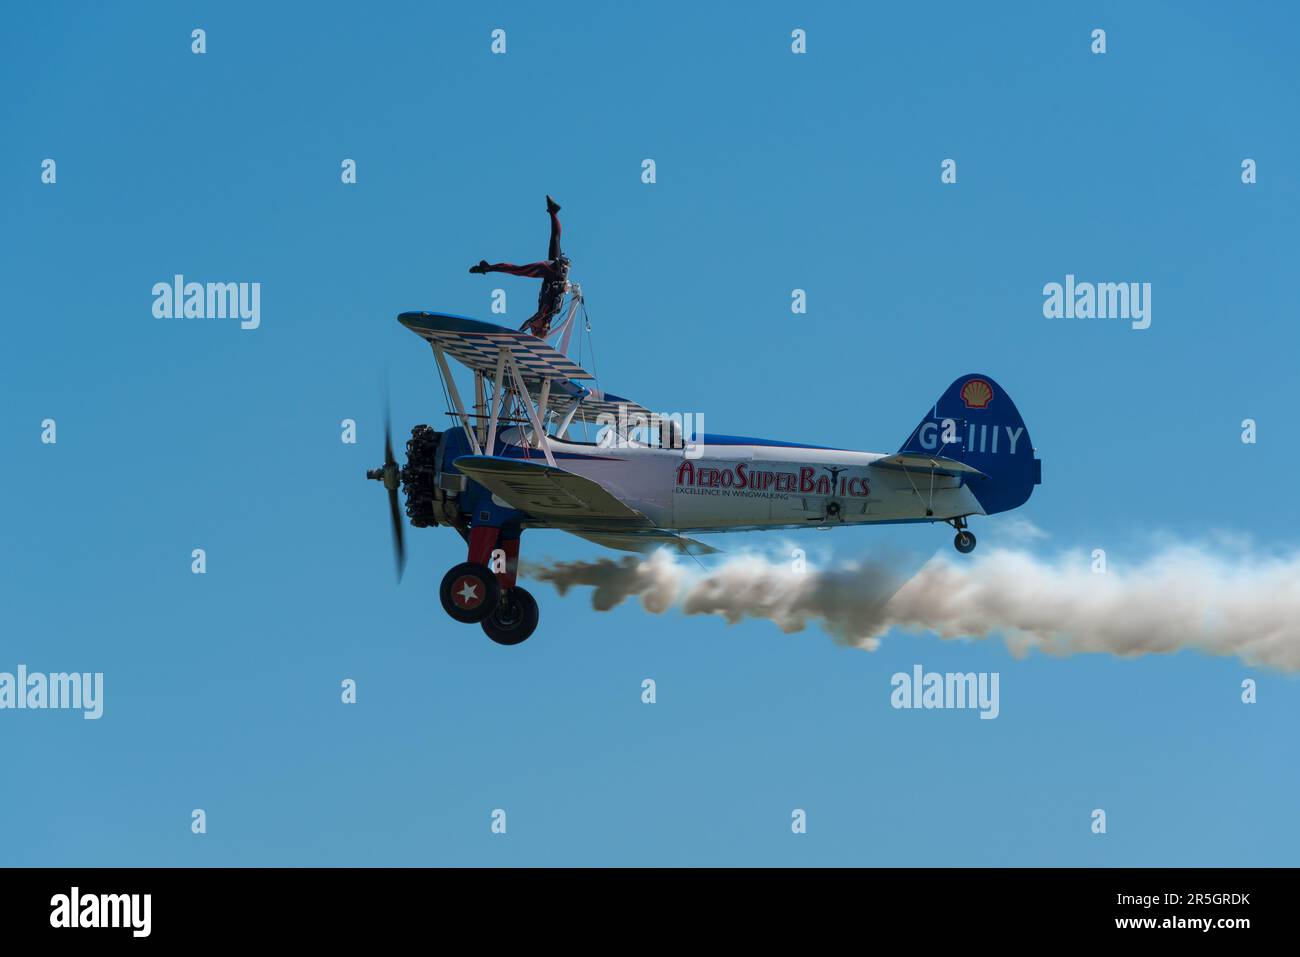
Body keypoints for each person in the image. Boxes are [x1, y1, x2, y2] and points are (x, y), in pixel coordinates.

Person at [469, 195, 570, 338]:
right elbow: (530, 321)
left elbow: (533, 320)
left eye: (532, 329)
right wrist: (518, 333)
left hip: (558, 270)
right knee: (518, 270)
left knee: (555, 239)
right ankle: (488, 268)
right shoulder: (546, 313)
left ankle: (553, 212)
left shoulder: (550, 312)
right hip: (552, 270)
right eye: (534, 329)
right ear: (543, 327)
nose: (532, 327)